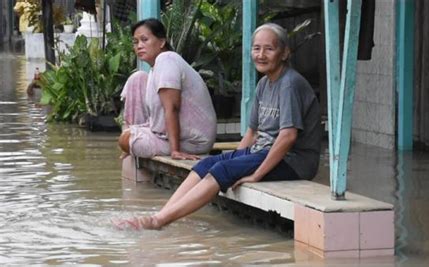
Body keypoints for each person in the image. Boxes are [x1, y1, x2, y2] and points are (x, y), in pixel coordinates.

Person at [115, 23, 322, 230]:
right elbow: (251, 132)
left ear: (285, 53)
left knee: (222, 169)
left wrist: (255, 174)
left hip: (294, 161)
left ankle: (158, 222)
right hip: (264, 152)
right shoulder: (263, 84)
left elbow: (288, 136)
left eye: (269, 49)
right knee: (207, 164)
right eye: (256, 48)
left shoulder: (289, 84)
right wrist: (238, 160)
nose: (261, 55)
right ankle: (163, 213)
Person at [118, 18, 217, 161]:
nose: (139, 46)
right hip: (168, 135)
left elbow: (172, 108)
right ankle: (134, 141)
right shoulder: (154, 69)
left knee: (125, 140)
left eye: (144, 40)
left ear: (162, 42)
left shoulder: (166, 59)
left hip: (193, 141)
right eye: (135, 42)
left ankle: (137, 143)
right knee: (137, 79)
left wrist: (175, 151)